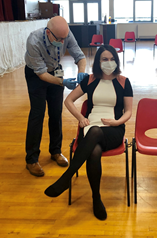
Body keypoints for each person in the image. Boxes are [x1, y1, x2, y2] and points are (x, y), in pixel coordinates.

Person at [44, 44, 133, 220]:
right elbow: (68, 100)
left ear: (116, 61)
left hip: (113, 129)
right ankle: (96, 198)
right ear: (98, 62)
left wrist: (117, 121)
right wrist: (79, 117)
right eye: (104, 59)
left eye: (112, 59)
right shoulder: (90, 80)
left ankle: (66, 178)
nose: (109, 62)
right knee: (94, 149)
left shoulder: (124, 81)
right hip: (90, 127)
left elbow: (129, 111)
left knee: (95, 133)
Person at [25, 16, 88, 177]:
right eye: (58, 38)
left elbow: (80, 56)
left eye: (64, 38)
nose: (62, 41)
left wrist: (81, 72)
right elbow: (41, 74)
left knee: (56, 113)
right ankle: (31, 159)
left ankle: (55, 151)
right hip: (36, 74)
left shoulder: (66, 34)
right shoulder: (34, 40)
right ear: (48, 33)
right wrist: (62, 82)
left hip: (55, 69)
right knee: (37, 115)